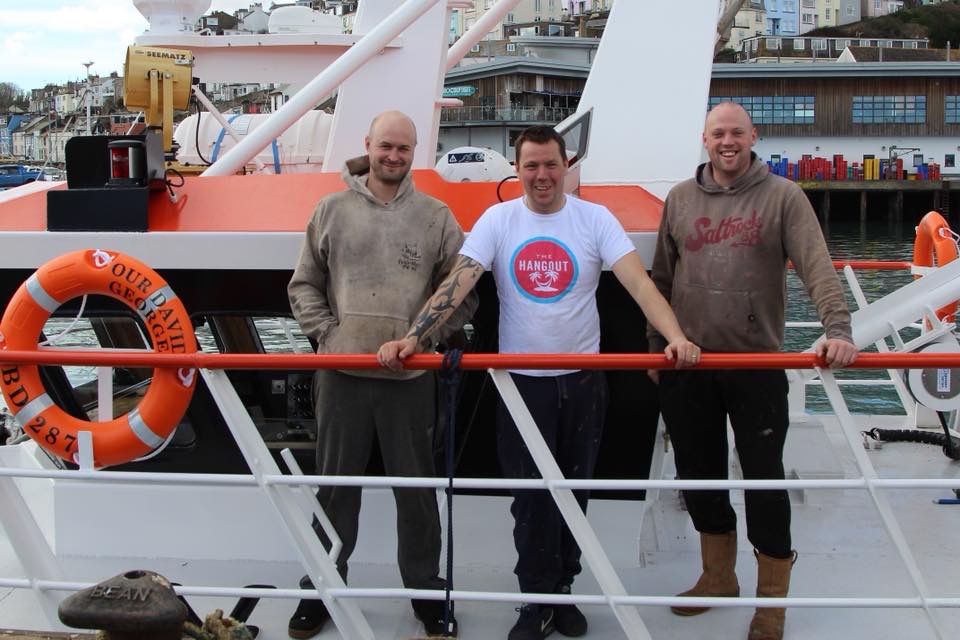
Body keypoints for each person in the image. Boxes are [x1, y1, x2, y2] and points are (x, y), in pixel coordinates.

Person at [379, 125, 700, 640]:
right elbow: (457, 281)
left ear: (565, 165)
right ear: (518, 168)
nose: (541, 175)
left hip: (584, 380)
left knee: (574, 492)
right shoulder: (498, 220)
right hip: (520, 384)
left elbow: (639, 284)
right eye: (531, 166)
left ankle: (562, 592)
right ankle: (534, 600)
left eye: (550, 164)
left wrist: (677, 337)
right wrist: (415, 338)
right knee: (530, 498)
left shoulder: (593, 219)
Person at [648, 101, 859, 640]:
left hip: (757, 364)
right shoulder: (679, 199)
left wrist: (838, 330)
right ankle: (718, 578)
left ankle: (772, 603)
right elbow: (662, 282)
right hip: (689, 364)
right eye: (718, 133)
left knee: (764, 480)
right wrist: (656, 348)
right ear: (705, 138)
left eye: (736, 133)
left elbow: (816, 264)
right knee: (698, 474)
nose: (727, 142)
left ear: (752, 136)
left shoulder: (783, 197)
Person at [287, 110, 477, 639]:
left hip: (411, 383)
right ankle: (321, 587)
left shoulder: (437, 217)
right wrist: (328, 335)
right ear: (367, 144)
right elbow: (303, 285)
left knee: (416, 492)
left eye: (404, 149)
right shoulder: (330, 210)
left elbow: (463, 297)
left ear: (414, 154)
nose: (393, 157)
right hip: (342, 376)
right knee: (334, 490)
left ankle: (425, 591)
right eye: (386, 146)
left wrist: (425, 341)